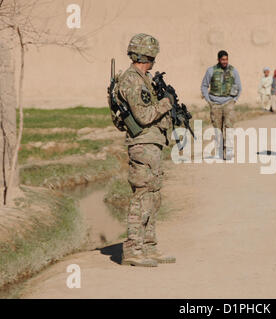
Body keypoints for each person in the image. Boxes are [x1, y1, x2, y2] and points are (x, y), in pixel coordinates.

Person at [118, 33, 175, 267]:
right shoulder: (131, 80)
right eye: (152, 57)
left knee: (153, 196)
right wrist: (165, 103)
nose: (154, 61)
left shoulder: (144, 78)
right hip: (142, 144)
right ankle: (133, 249)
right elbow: (143, 116)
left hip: (152, 143)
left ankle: (149, 246)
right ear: (145, 55)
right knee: (141, 196)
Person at [201, 50, 242, 159]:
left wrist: (234, 100)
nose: (225, 62)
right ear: (218, 60)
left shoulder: (233, 71)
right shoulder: (211, 71)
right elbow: (204, 86)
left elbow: (238, 86)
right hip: (215, 103)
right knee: (217, 128)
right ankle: (219, 150)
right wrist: (209, 101)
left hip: (228, 102)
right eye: (223, 60)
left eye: (226, 59)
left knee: (229, 126)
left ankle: (229, 150)